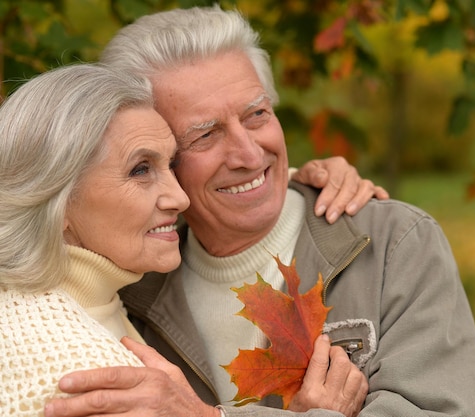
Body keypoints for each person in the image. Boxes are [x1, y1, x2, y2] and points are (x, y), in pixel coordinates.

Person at [46, 5, 475, 417]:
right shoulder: (127, 287)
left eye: (256, 114)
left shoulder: (395, 244)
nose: (250, 154)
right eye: (206, 135)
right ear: (156, 153)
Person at [0, 63, 370, 417]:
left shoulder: (87, 301)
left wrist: (292, 180)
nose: (179, 197)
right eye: (141, 170)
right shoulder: (61, 366)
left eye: (171, 164)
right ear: (56, 199)